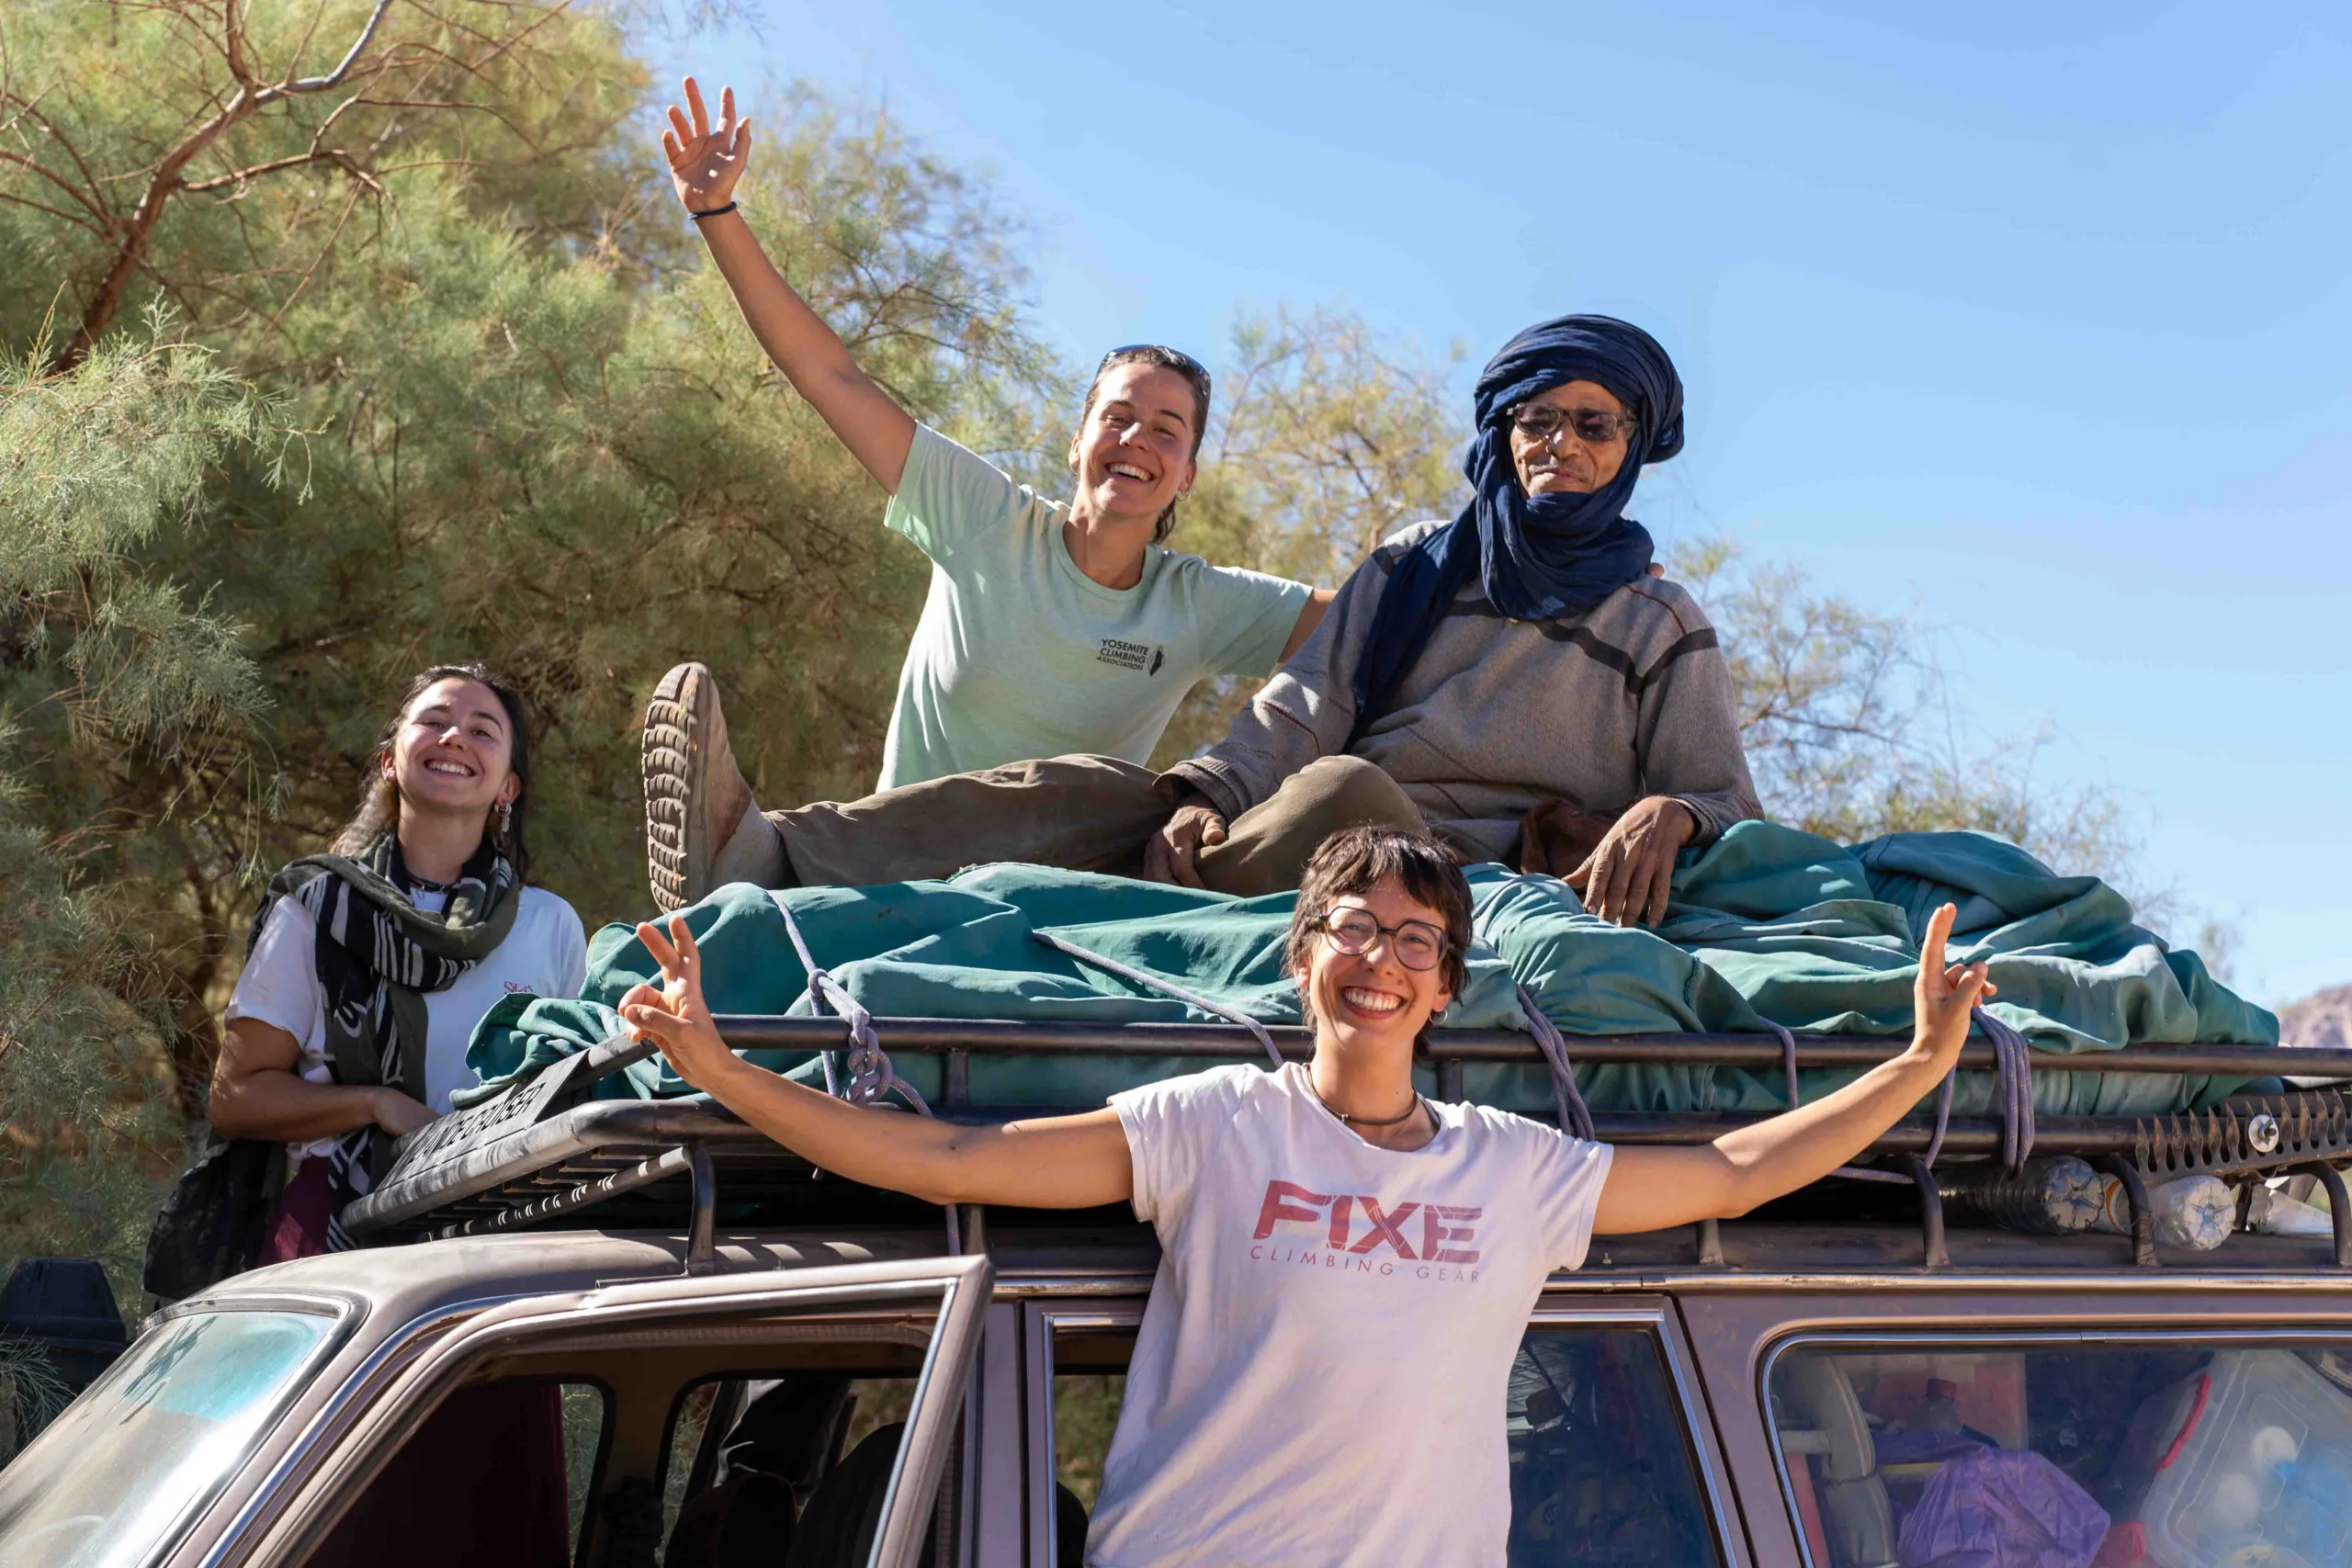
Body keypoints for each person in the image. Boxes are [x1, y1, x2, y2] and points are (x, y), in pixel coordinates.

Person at [616, 825, 1993, 1567]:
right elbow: (954, 1164)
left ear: (1446, 986)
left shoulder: (1511, 1167)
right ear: (1300, 955)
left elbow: (1737, 1170)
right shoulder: (1215, 1123)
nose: (1380, 959)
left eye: (1415, 940)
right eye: (1354, 927)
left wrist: (1920, 1062)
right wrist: (721, 1068)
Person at [644, 78, 1329, 910]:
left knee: (1110, 788)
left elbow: (1372, 621)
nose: (1136, 441)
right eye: (1117, 417)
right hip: (895, 879)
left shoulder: (1198, 604)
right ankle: (757, 855)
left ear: (1186, 473)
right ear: (1077, 440)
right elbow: (831, 376)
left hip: (1053, 899)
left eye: (1166, 429)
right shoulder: (984, 518)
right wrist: (716, 213)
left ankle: (767, 854)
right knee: (1086, 781)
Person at [1144, 313, 1762, 923]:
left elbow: (1724, 799)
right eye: (1538, 420)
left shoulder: (1658, 621)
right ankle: (1184, 875)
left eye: (1593, 425)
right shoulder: (1414, 564)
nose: (1563, 443)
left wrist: (1673, 810)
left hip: (1490, 873)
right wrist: (1211, 792)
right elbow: (1305, 703)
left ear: (1631, 447)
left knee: (1341, 789)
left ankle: (1186, 898)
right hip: (1332, 830)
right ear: (1506, 433)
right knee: (1091, 787)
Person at [209, 664, 587, 1255]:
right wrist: (375, 1105)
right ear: (390, 761)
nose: (454, 737)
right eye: (434, 722)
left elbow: (573, 1092)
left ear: (507, 789)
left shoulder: (550, 925)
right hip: (334, 1232)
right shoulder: (318, 909)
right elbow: (236, 1098)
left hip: (503, 1228)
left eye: (482, 731)